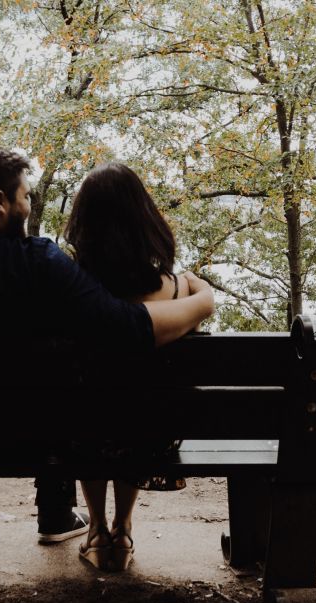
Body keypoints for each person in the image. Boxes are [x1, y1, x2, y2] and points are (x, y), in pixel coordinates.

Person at [0, 143, 213, 545]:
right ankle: (59, 513)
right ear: (0, 202)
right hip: (22, 442)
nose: (29, 204)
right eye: (25, 196)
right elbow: (125, 327)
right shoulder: (39, 265)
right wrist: (201, 302)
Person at [63, 162, 196, 571]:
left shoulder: (72, 290)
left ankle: (97, 530)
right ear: (145, 219)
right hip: (151, 434)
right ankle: (122, 529)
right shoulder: (176, 290)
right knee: (134, 411)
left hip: (79, 432)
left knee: (88, 414)